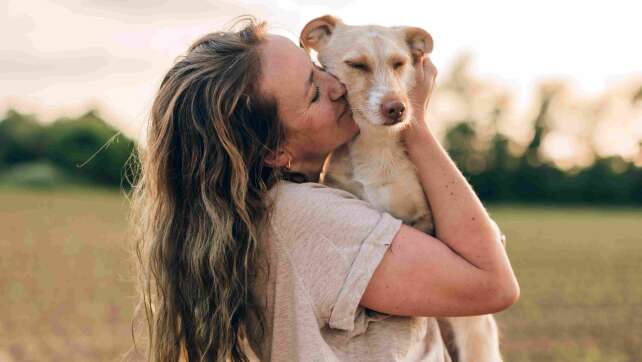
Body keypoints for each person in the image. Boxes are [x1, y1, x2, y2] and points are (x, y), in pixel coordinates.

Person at [130, 17, 519, 362]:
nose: (335, 87)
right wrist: (415, 124)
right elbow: (493, 283)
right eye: (313, 92)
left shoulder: (266, 205)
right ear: (275, 152)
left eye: (317, 70)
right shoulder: (310, 217)